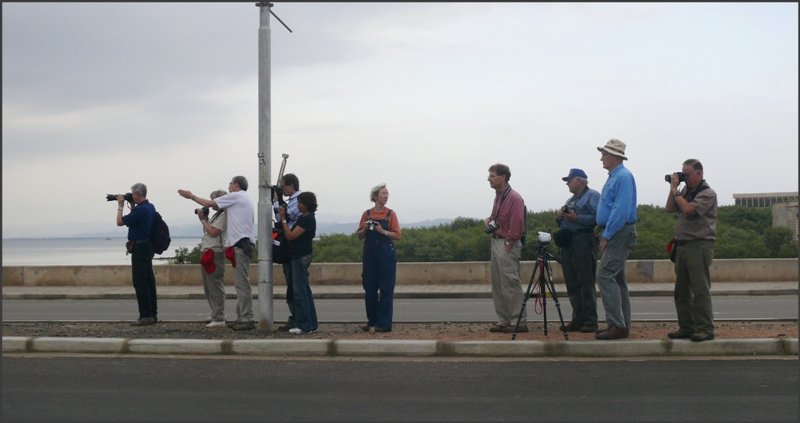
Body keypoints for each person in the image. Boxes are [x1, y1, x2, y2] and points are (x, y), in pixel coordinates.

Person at [178, 176, 256, 331]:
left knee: (241, 285)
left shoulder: (236, 196)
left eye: (230, 184)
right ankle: (242, 317)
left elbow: (208, 204)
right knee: (240, 284)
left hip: (240, 244)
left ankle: (246, 318)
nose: (228, 187)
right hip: (240, 243)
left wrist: (191, 196)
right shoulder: (242, 199)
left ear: (236, 185)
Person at [665, 159, 718, 342]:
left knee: (700, 290)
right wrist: (674, 190)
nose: (684, 178)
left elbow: (688, 210)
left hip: (699, 245)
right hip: (682, 246)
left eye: (687, 175)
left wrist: (675, 190)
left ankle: (705, 328)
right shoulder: (686, 191)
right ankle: (686, 326)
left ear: (699, 174)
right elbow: (670, 208)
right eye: (682, 174)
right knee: (682, 291)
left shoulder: (708, 194)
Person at [595, 139, 638, 340]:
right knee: (617, 279)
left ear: (614, 156)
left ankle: (617, 325)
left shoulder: (622, 177)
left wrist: (606, 235)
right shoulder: (616, 176)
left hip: (619, 232)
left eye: (604, 154)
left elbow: (620, 210)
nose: (602, 157)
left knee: (604, 275)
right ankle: (621, 323)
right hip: (617, 231)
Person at [555, 168, 601, 333]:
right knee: (572, 282)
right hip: (569, 243)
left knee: (585, 281)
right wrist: (560, 217)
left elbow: (599, 218)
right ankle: (578, 319)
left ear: (580, 180)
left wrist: (577, 218)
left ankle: (590, 321)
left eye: (569, 180)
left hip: (584, 240)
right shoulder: (570, 199)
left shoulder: (593, 196)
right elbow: (564, 221)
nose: (567, 183)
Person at [484, 164, 527, 334]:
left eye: (492, 175)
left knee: (510, 283)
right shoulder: (499, 196)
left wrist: (510, 241)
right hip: (497, 241)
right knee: (498, 284)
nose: (489, 179)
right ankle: (503, 320)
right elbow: (500, 218)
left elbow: (517, 222)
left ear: (503, 177)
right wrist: (489, 220)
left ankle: (519, 321)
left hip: (507, 243)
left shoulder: (514, 198)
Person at [356, 183, 402, 333]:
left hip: (386, 254)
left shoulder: (391, 214)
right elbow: (359, 235)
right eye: (383, 193)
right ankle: (372, 322)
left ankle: (384, 323)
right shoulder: (366, 214)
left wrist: (383, 231)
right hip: (370, 255)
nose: (386, 196)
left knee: (386, 289)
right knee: (369, 289)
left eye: (387, 194)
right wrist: (365, 228)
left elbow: (397, 235)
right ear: (375, 196)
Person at [116, 183, 158, 326]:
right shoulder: (150, 207)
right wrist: (132, 205)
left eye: (132, 193)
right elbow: (135, 219)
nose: (131, 195)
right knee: (149, 281)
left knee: (140, 282)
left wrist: (121, 205)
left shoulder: (140, 210)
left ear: (137, 194)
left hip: (140, 248)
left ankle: (145, 315)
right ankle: (152, 314)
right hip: (147, 246)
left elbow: (120, 222)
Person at [278, 191, 319, 335]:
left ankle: (304, 325)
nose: (298, 205)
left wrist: (283, 219)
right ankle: (312, 323)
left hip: (300, 256)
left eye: (300, 203)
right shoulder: (306, 218)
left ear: (306, 204)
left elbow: (290, 235)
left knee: (299, 291)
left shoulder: (306, 220)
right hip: (302, 255)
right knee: (305, 291)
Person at [272, 173, 303, 331]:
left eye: (283, 186)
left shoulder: (299, 200)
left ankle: (299, 319)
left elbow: (287, 214)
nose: (282, 189)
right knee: (291, 287)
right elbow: (279, 218)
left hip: (296, 248)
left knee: (296, 287)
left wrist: (278, 200)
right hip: (289, 249)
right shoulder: (291, 201)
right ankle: (295, 317)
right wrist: (277, 201)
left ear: (291, 185)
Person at [197, 190, 228, 328]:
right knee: (208, 287)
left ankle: (219, 317)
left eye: (213, 200)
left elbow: (214, 232)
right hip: (208, 251)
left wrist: (204, 220)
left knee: (215, 286)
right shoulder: (217, 215)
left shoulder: (225, 214)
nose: (211, 204)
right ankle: (215, 312)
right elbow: (208, 230)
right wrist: (205, 220)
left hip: (215, 252)